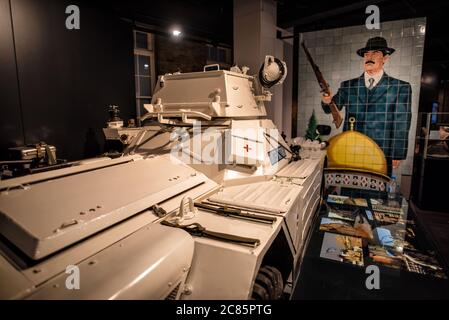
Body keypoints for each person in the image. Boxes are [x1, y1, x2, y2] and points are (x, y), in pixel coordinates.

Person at [322, 37, 412, 176]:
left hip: (380, 149)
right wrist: (327, 101)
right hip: (351, 147)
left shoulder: (400, 87)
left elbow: (401, 121)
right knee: (348, 191)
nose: (369, 57)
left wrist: (397, 153)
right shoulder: (348, 86)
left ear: (385, 58)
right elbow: (331, 108)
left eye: (375, 53)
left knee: (376, 193)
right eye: (366, 54)